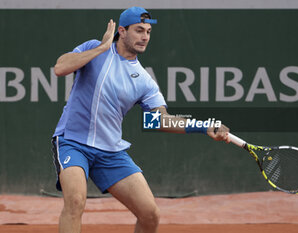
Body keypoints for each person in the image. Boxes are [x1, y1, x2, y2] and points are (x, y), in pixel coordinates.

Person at [52, 6, 229, 233]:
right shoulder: (93, 48)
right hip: (72, 142)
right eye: (139, 30)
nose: (145, 37)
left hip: (110, 151)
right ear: (122, 31)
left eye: (148, 31)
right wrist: (102, 48)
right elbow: (60, 68)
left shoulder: (144, 81)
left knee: (150, 214)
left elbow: (160, 120)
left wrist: (204, 126)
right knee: (75, 201)